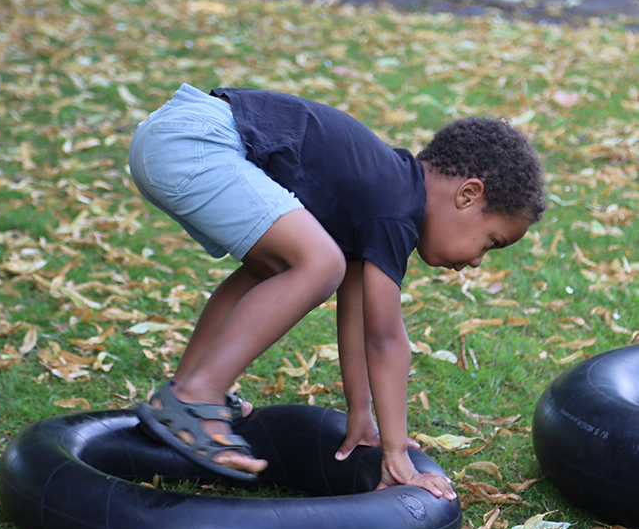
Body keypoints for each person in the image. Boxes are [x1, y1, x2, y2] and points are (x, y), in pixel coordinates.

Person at [129, 83, 546, 497]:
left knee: (275, 266)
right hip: (195, 141)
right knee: (318, 263)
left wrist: (361, 414)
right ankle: (196, 397)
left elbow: (358, 314)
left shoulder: (380, 198)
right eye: (491, 242)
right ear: (468, 195)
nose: (477, 261)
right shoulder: (396, 210)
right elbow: (383, 338)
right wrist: (397, 454)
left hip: (175, 134)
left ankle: (187, 392)